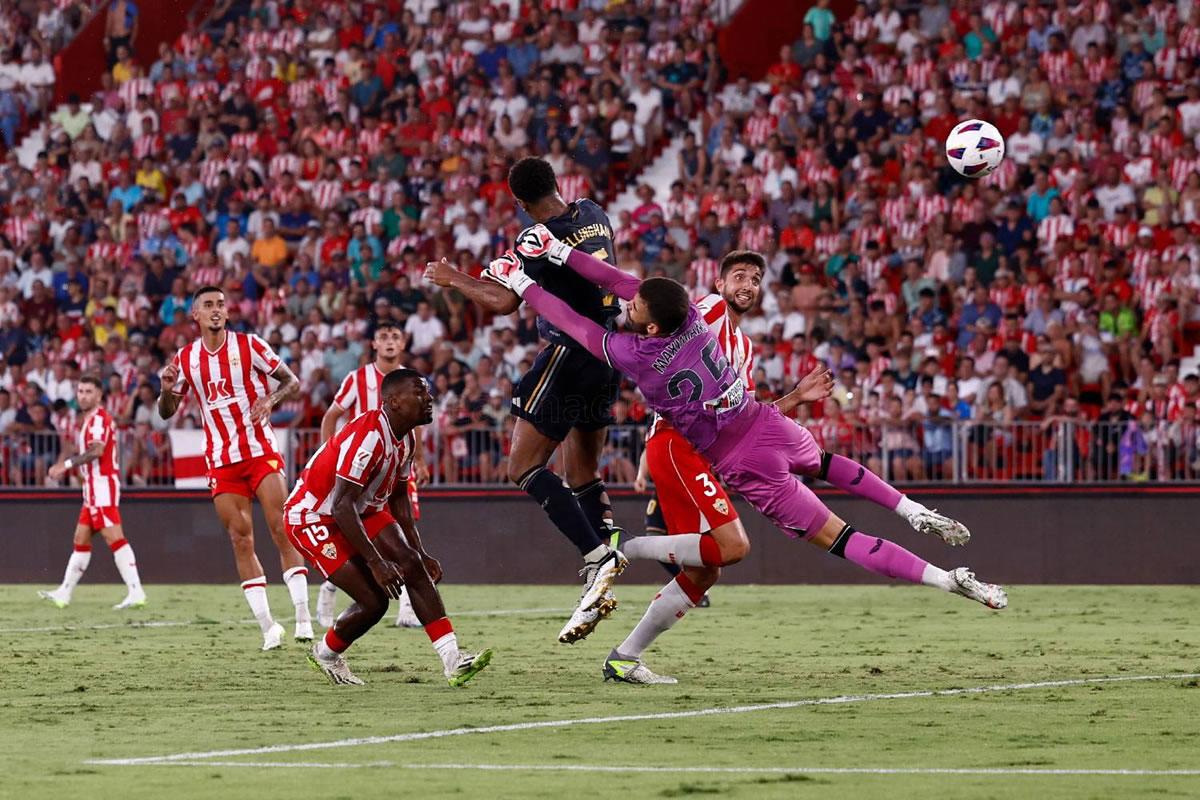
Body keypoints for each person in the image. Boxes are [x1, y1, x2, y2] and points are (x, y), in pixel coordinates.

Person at [489, 225, 1007, 684]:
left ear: (649, 325)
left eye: (753, 279)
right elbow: (627, 284)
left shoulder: (644, 349)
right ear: (715, 287)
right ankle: (625, 561)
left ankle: (622, 599)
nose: (747, 286)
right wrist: (558, 253)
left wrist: (527, 278)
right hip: (717, 436)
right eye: (738, 276)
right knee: (771, 524)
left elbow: (590, 315)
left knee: (755, 546)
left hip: (743, 435)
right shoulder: (700, 312)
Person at [423, 156, 626, 644]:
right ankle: (601, 568)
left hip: (566, 353)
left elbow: (503, 301)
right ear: (558, 183)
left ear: (517, 202)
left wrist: (456, 279)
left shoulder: (534, 239)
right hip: (608, 352)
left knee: (524, 467)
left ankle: (599, 558)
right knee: (582, 474)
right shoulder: (595, 213)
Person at [284, 368, 492, 687]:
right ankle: (325, 654)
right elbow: (340, 505)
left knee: (413, 564)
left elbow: (398, 498)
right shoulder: (369, 437)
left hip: (362, 507)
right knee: (374, 600)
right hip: (313, 515)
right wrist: (376, 562)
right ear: (394, 402)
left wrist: (419, 551)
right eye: (420, 392)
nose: (429, 398)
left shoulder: (405, 437)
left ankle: (453, 661)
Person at [158, 286, 314, 650]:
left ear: (227, 312)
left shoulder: (252, 345)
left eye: (220, 305)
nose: (216, 310)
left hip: (260, 450)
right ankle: (268, 628)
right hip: (221, 460)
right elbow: (167, 411)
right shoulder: (185, 359)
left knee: (281, 527)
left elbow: (291, 382)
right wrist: (166, 390)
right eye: (208, 305)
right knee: (240, 539)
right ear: (195, 315)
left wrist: (269, 400)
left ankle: (304, 617)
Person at [315, 321, 431, 629]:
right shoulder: (358, 379)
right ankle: (329, 587)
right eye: (383, 336)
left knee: (405, 529)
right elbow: (332, 416)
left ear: (403, 343)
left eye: (395, 336)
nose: (390, 341)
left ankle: (407, 607)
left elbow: (414, 424)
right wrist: (332, 454)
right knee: (358, 533)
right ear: (374, 345)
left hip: (396, 465)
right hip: (361, 469)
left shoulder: (410, 381)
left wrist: (419, 458)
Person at [39, 376, 146, 610]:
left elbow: (97, 451)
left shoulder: (98, 419)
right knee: (81, 539)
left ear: (99, 395)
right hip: (93, 489)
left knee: (114, 538)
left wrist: (65, 466)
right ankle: (64, 593)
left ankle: (136, 591)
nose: (83, 395)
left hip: (102, 487)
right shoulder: (90, 419)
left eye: (89, 391)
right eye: (80, 391)